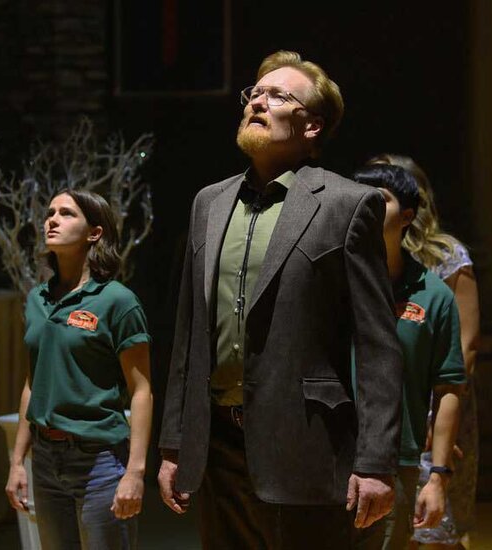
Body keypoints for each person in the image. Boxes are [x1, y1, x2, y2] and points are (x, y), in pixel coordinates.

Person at [157, 50, 403, 549]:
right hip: (218, 447)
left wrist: (375, 462)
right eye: (255, 93)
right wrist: (174, 442)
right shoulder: (209, 202)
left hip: (306, 445)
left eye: (277, 95)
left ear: (312, 126)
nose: (257, 102)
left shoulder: (347, 204)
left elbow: (378, 345)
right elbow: (188, 335)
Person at [5, 189, 153, 550]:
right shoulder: (38, 299)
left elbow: (142, 390)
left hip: (99, 461)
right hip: (45, 459)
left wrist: (135, 472)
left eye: (67, 213)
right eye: (50, 212)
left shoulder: (117, 301)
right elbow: (32, 382)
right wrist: (17, 461)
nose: (52, 219)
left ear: (94, 233)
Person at [351, 164, 466, 550]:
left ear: (407, 216)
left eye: (379, 198)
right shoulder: (329, 282)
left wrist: (437, 476)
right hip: (328, 458)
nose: (365, 204)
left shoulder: (434, 297)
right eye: (358, 195)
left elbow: (449, 387)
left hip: (394, 465)